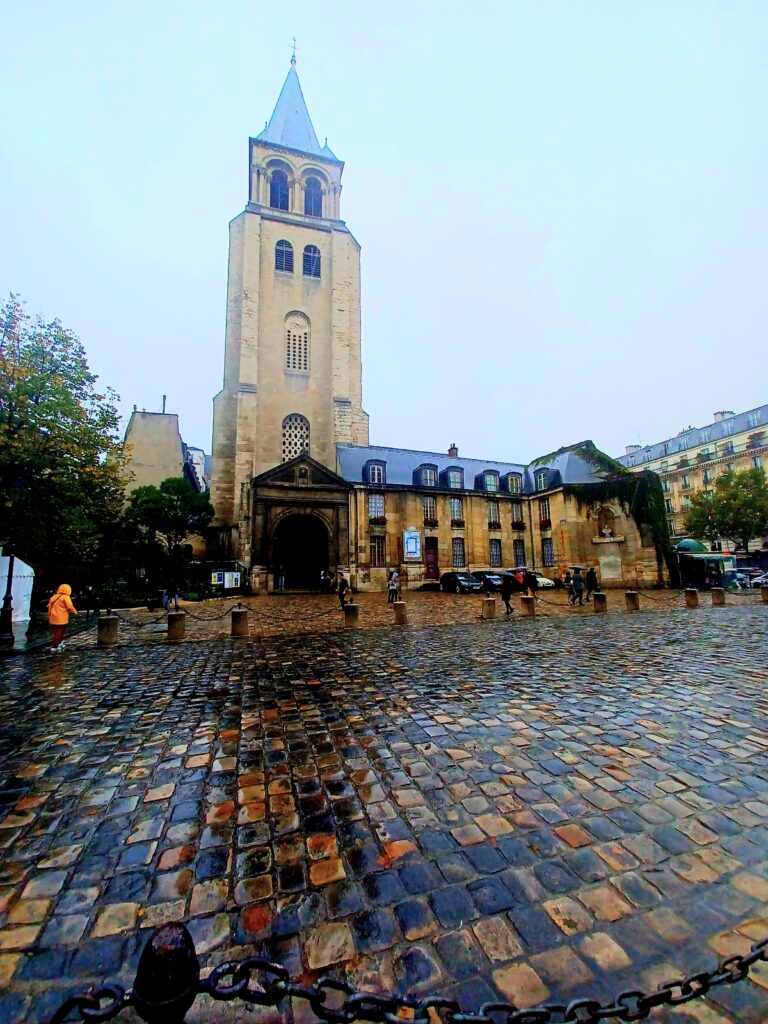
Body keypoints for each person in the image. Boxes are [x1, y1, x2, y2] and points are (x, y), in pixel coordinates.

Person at [48, 584, 78, 652]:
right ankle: (55, 646)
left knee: (57, 632)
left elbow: (49, 608)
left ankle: (59, 643)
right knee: (60, 632)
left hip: (54, 618)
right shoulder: (65, 597)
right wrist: (75, 612)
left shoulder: (54, 597)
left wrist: (50, 617)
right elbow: (69, 606)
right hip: (62, 618)